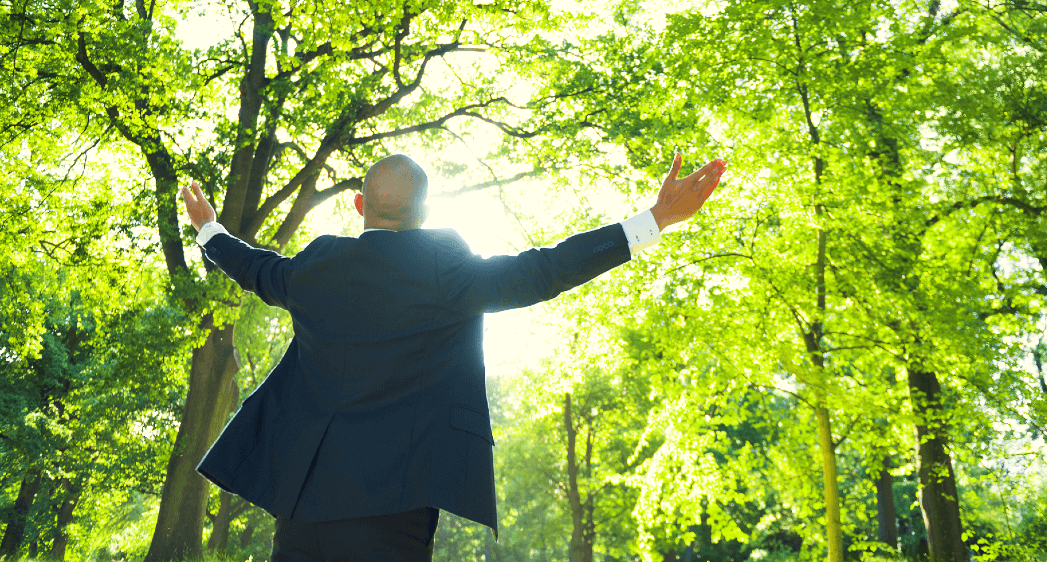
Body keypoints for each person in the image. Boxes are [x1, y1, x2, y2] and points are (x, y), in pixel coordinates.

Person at [179, 152, 725, 562]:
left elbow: (254, 268)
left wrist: (209, 229)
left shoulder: (317, 266)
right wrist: (651, 220)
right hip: (397, 504)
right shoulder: (449, 270)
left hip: (303, 502)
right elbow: (545, 270)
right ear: (422, 213)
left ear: (360, 205)